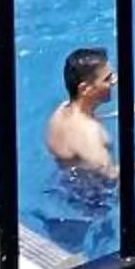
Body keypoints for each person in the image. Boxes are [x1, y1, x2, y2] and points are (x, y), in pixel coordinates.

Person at [45, 47, 118, 183]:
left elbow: (81, 124)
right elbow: (111, 175)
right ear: (85, 89)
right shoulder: (90, 134)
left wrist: (115, 114)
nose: (115, 81)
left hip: (64, 182)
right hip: (93, 197)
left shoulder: (61, 111)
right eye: (107, 79)